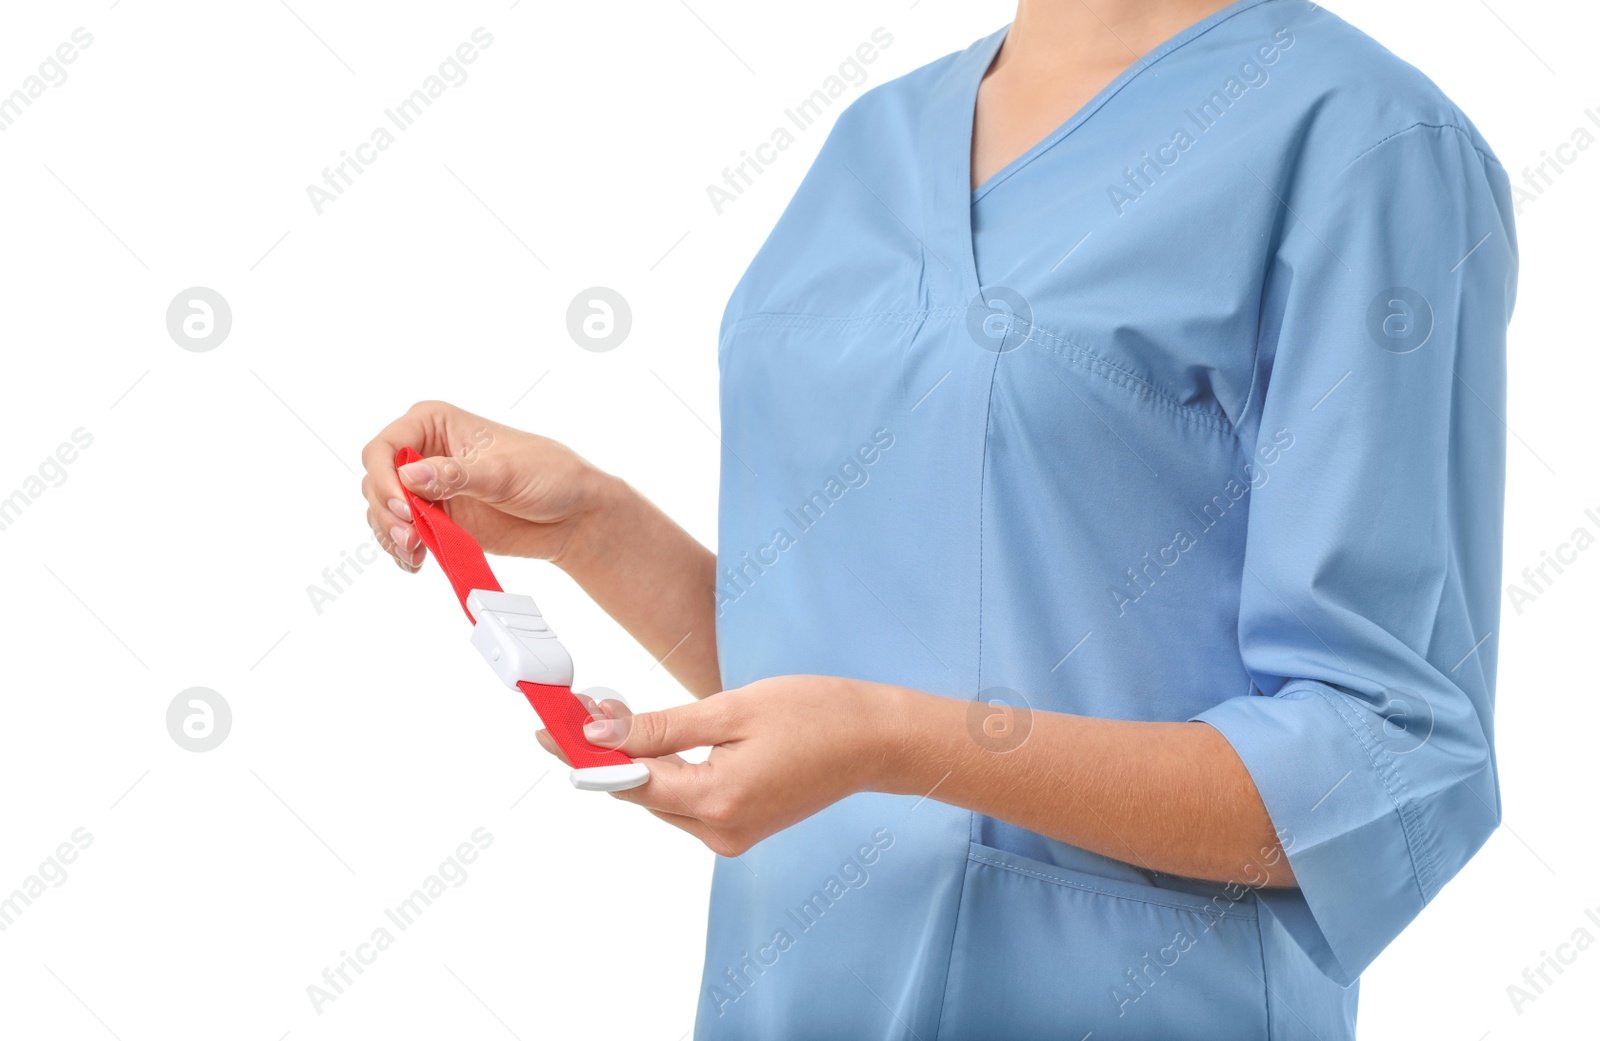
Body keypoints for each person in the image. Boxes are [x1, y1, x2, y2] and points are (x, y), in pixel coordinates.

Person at [360, 0, 1518, 1036]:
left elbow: (1383, 758)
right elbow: (847, 668)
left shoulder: (1363, 144)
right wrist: (595, 527)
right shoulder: (872, 138)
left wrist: (893, 742)